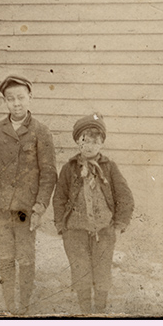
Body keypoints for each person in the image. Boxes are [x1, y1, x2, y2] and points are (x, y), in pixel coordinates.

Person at [0, 74, 57, 314]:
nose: (16, 103)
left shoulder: (40, 132)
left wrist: (40, 207)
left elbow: (48, 174)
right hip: (1, 206)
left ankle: (24, 306)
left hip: (26, 209)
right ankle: (9, 305)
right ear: (5, 102)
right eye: (10, 99)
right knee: (5, 257)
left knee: (25, 257)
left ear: (30, 98)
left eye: (21, 98)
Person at [54, 114, 134, 313]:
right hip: (75, 231)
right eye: (84, 141)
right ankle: (85, 311)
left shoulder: (110, 168)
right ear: (77, 142)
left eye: (94, 141)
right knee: (80, 269)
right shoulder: (69, 168)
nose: (89, 146)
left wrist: (118, 224)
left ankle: (99, 311)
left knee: (102, 271)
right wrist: (61, 226)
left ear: (102, 144)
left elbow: (125, 197)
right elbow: (59, 198)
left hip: (104, 231)